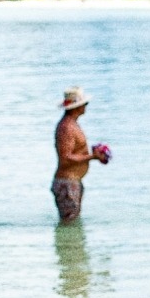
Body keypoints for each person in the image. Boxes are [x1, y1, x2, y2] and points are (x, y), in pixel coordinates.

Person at [53, 86, 109, 224]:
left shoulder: (71, 125)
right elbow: (65, 157)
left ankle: (72, 246)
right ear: (76, 107)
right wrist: (92, 157)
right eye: (85, 104)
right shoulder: (67, 127)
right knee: (69, 224)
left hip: (71, 182)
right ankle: (69, 246)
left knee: (72, 224)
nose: (86, 106)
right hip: (67, 184)